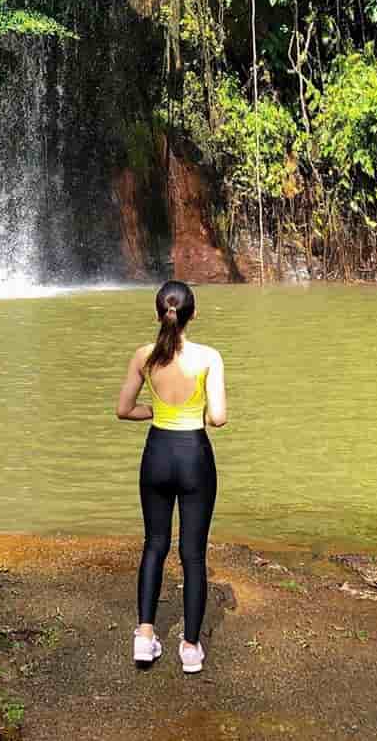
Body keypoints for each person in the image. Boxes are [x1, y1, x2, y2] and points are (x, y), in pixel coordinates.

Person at [115, 279, 226, 673]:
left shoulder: (145, 356)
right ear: (192, 313)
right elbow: (218, 417)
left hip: (157, 454)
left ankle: (144, 638)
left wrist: (158, 413)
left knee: (154, 545)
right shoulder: (209, 357)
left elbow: (124, 409)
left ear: (159, 313)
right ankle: (191, 648)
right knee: (193, 555)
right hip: (194, 455)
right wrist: (193, 415)